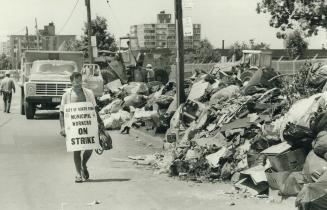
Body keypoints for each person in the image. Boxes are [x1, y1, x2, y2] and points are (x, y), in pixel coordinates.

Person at [59, 72, 107, 183]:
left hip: (88, 125)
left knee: (90, 147)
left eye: (79, 81)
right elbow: (61, 112)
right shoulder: (66, 95)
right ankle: (78, 174)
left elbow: (94, 108)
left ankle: (83, 164)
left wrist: (100, 122)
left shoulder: (89, 93)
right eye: (75, 82)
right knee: (76, 150)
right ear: (71, 82)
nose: (78, 84)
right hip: (74, 127)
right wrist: (62, 127)